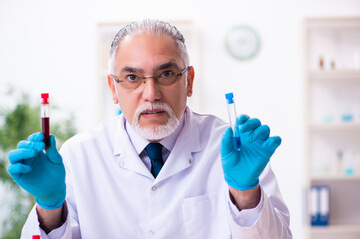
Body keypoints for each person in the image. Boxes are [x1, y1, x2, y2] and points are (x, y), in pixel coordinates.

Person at [8, 19, 292, 238]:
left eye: (166, 74)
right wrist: (49, 207)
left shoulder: (234, 150)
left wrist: (245, 193)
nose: (151, 93)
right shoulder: (79, 156)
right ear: (113, 89)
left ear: (189, 81)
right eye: (132, 77)